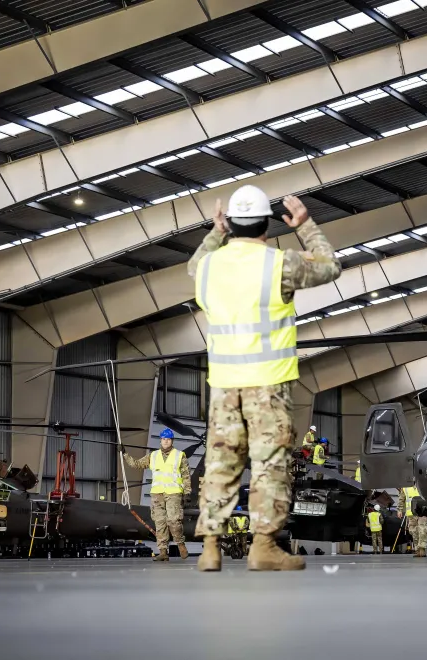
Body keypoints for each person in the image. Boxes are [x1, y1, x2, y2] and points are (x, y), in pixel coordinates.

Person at [188, 186, 341, 572]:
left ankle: (210, 548)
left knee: (221, 462)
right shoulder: (280, 264)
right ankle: (263, 546)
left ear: (232, 224)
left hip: (224, 383)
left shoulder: (206, 266)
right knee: (269, 464)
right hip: (268, 383)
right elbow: (329, 265)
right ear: (268, 226)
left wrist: (215, 231)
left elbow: (198, 259)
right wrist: (305, 226)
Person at [122, 428, 191, 561]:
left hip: (174, 493)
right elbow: (136, 464)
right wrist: (125, 454)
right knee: (160, 523)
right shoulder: (153, 456)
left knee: (173, 520)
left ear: (172, 441)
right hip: (157, 494)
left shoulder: (180, 455)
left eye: (168, 439)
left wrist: (187, 492)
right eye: (164, 439)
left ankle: (180, 544)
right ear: (160, 440)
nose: (166, 441)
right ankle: (163, 552)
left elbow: (186, 475)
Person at [398, 485, 427, 558]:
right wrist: (400, 510)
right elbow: (402, 498)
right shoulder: (405, 487)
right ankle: (417, 550)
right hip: (411, 513)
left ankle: (422, 550)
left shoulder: (423, 484)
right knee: (414, 532)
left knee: (422, 530)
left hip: (422, 512)